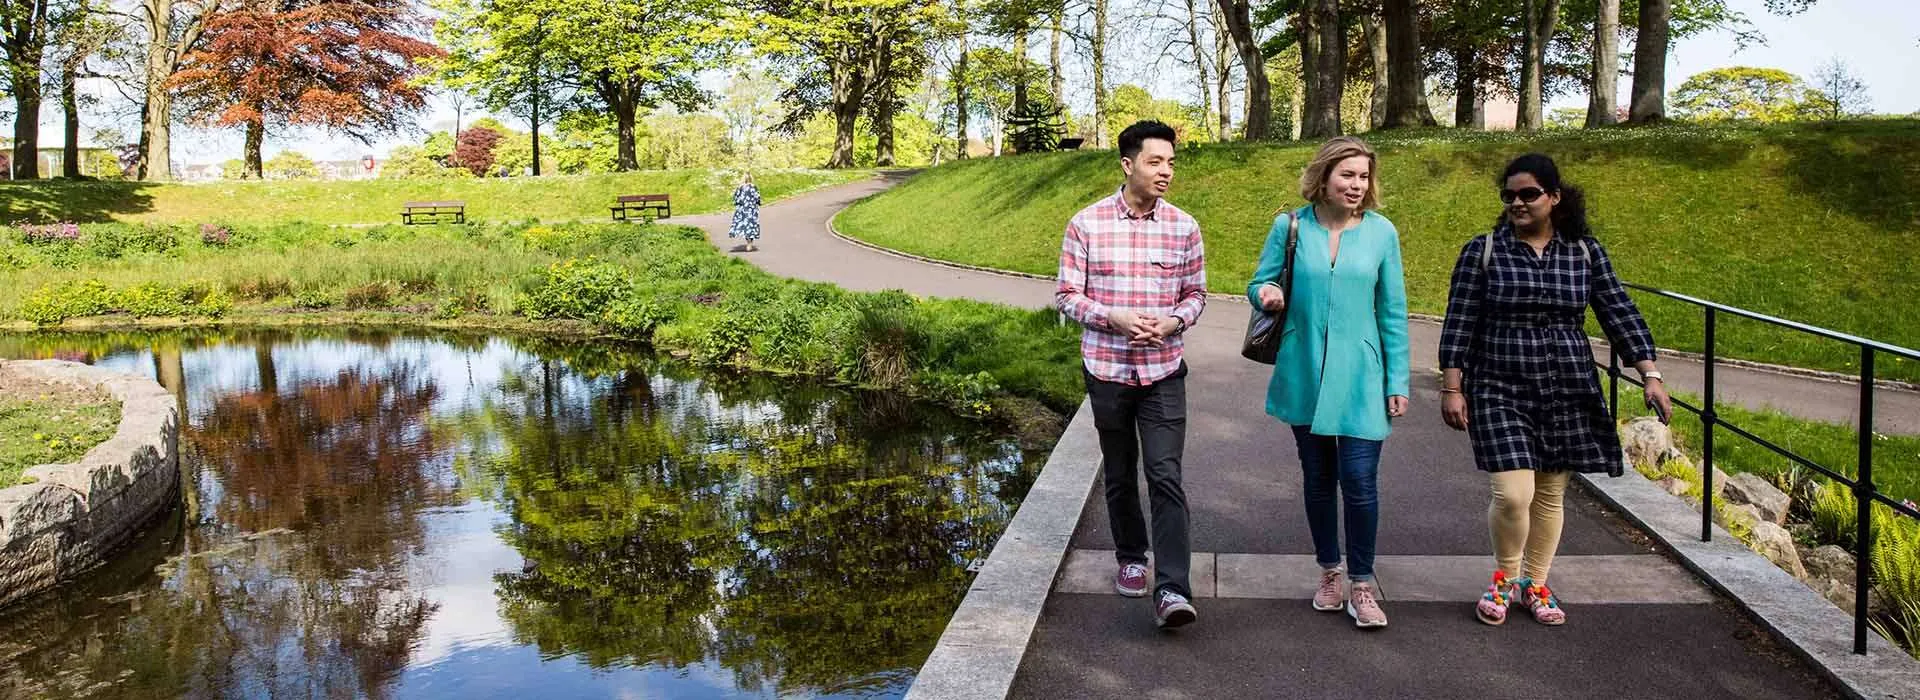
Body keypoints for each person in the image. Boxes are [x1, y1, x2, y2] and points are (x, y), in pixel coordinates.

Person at [1438, 153, 1673, 626]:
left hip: (1566, 384)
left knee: (1549, 494)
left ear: (1555, 196)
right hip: (1500, 384)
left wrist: (1650, 373)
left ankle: (1536, 582)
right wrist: (1452, 386)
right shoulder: (1482, 251)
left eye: (1528, 194)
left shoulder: (1584, 251)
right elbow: (1460, 320)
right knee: (1512, 493)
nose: (1517, 203)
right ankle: (1506, 578)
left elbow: (1617, 311)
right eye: (1509, 196)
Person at [1246, 136, 1409, 629]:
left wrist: (1397, 379)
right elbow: (1258, 283)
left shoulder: (1382, 233)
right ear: (1324, 177)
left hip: (1362, 376)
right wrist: (1267, 293)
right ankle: (1329, 572)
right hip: (1303, 370)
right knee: (1318, 480)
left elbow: (1393, 311)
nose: (1357, 185)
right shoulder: (1290, 226)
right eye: (1347, 176)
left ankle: (1362, 583)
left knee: (1359, 481)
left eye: (1363, 176)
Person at [1055, 120, 1207, 629]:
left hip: (1164, 370)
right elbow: (1067, 295)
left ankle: (1173, 590)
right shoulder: (1087, 224)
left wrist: (1174, 321)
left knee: (1166, 475)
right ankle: (1131, 558)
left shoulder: (1184, 226)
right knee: (1119, 473)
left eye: (1170, 163)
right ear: (1128, 164)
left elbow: (1196, 295)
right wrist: (1112, 317)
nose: (1166, 172)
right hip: (1108, 368)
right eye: (1155, 162)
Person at [729, 172, 762, 251]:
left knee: (741, 224)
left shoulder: (740, 188)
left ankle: (737, 234)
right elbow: (757, 198)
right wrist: (758, 203)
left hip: (742, 210)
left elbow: (736, 199)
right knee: (751, 226)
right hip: (752, 210)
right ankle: (749, 243)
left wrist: (738, 203)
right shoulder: (754, 187)